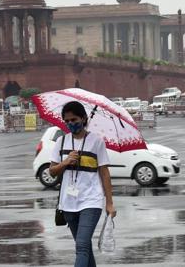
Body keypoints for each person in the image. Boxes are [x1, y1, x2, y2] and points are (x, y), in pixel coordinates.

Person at [49, 101, 116, 267]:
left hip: (91, 201)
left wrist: (109, 203)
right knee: (84, 247)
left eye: (74, 119)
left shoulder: (96, 142)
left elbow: (104, 173)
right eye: (67, 121)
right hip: (68, 203)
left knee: (81, 246)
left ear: (83, 118)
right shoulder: (61, 142)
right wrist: (66, 162)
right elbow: (52, 171)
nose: (71, 123)